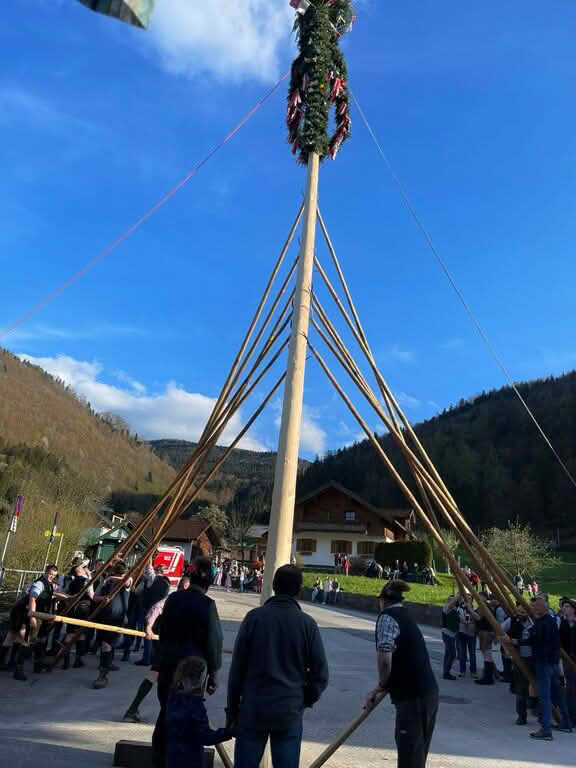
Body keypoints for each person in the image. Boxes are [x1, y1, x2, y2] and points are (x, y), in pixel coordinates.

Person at [227, 565, 328, 768]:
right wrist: (304, 700)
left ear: (273, 586)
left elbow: (237, 669)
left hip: (254, 708)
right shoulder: (307, 624)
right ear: (299, 590)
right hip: (289, 710)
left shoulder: (254, 618)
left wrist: (232, 711)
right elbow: (321, 674)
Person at [152, 557, 222, 768]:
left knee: (166, 713)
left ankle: (159, 761)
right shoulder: (208, 605)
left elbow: (160, 630)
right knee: (188, 717)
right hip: (192, 673)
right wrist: (214, 673)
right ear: (208, 583)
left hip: (167, 665)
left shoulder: (173, 599)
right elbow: (213, 642)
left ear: (190, 576)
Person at [365, 581, 438, 768]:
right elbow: (402, 661)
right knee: (416, 758)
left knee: (410, 758)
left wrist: (382, 685)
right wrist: (379, 689)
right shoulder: (405, 615)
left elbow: (385, 659)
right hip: (427, 693)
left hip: (412, 698)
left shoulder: (387, 617)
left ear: (382, 601)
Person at [166, 656, 235, 768]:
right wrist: (228, 732)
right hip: (191, 760)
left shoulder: (173, 699)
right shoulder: (195, 707)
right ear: (200, 680)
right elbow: (205, 737)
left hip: (173, 758)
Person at [0, 564, 66, 681]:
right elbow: (33, 598)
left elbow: (52, 594)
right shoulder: (40, 583)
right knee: (25, 639)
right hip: (22, 612)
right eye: (50, 574)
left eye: (54, 575)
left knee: (16, 637)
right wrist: (33, 616)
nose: (51, 576)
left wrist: (68, 597)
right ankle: (17, 669)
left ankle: (8, 663)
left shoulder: (48, 584)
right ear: (45, 572)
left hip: (25, 611)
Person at [123, 575, 172, 723]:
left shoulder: (175, 600)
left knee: (158, 676)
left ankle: (133, 710)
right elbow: (155, 611)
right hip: (167, 646)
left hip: (171, 646)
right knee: (157, 675)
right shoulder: (170, 600)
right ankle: (132, 710)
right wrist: (149, 628)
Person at [529, 596, 572, 740]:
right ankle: (566, 723)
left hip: (544, 663)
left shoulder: (542, 622)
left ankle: (546, 730)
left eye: (535, 606)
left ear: (542, 608)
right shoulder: (551, 620)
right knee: (557, 695)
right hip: (553, 663)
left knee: (545, 697)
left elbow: (535, 639)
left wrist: (519, 641)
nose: (533, 608)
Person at [92, 561, 132, 689]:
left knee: (107, 645)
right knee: (106, 645)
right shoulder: (105, 583)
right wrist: (103, 598)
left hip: (117, 619)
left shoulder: (126, 581)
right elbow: (94, 597)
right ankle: (105, 667)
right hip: (104, 618)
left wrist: (111, 578)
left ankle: (102, 675)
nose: (120, 576)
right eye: (119, 573)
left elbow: (127, 581)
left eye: (122, 574)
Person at [501, 603, 535, 725]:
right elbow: (500, 631)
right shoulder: (512, 621)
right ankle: (521, 715)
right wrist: (506, 648)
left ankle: (536, 708)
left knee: (536, 685)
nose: (520, 614)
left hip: (534, 658)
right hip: (519, 658)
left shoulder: (535, 622)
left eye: (523, 612)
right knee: (520, 688)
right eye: (519, 612)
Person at [560, 599, 576, 728]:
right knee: (570, 687)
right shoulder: (564, 623)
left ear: (573, 609)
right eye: (563, 606)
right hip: (567, 659)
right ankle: (571, 717)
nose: (564, 608)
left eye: (566, 606)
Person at [475, 593, 496, 686]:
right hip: (486, 632)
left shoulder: (484, 606)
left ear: (484, 597)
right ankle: (489, 676)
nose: (477, 598)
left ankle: (488, 678)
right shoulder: (486, 606)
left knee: (486, 654)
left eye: (479, 596)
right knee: (487, 653)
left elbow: (478, 617)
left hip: (485, 632)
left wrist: (470, 608)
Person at [456, 596, 478, 679]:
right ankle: (462, 671)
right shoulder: (460, 609)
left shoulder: (474, 609)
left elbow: (477, 619)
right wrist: (465, 621)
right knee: (462, 653)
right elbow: (459, 618)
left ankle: (473, 672)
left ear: (472, 600)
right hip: (462, 633)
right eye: (466, 599)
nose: (467, 600)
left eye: (469, 599)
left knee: (472, 653)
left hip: (471, 633)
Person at [441, 595, 459, 680]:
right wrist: (459, 594)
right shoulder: (446, 607)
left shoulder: (454, 609)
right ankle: (446, 673)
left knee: (448, 654)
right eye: (451, 600)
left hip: (451, 634)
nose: (454, 601)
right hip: (447, 634)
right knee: (452, 654)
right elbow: (452, 603)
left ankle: (445, 672)